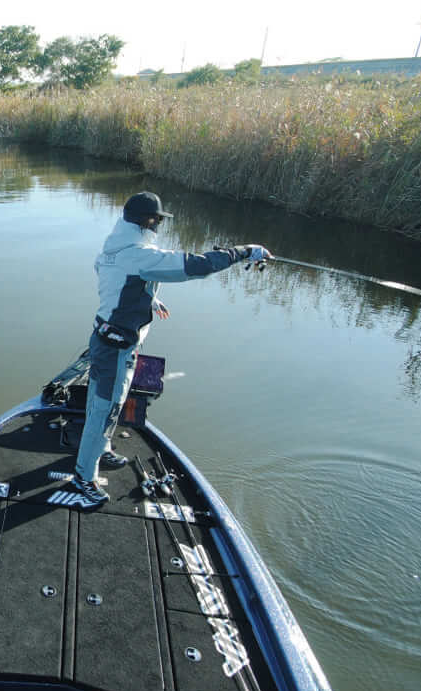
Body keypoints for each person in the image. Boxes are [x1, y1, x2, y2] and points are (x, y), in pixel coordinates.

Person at [67, 191, 272, 510]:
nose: (159, 225)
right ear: (147, 221)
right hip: (116, 347)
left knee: (102, 402)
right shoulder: (138, 255)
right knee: (104, 409)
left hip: (105, 337)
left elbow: (111, 276)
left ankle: (101, 450)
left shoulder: (114, 247)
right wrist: (244, 252)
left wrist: (146, 296)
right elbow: (199, 265)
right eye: (158, 220)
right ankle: (83, 477)